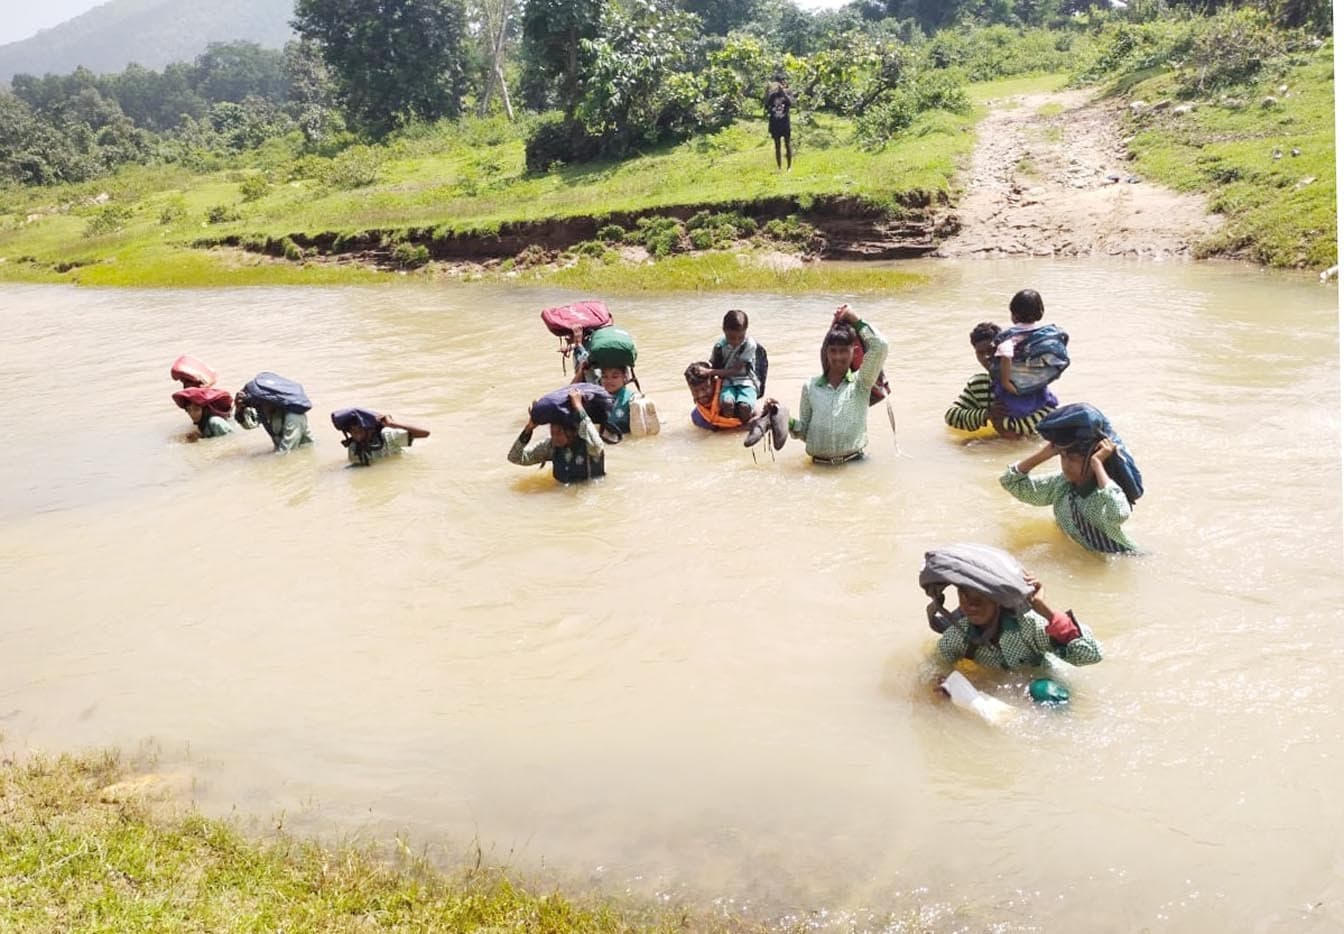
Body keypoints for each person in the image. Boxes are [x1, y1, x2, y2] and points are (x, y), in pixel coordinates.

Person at [780, 304, 888, 465]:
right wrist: (784, 419)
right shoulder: (811, 386)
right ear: (826, 352)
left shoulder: (862, 382)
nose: (838, 357)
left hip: (855, 464)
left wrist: (855, 319)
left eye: (844, 350)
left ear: (854, 351)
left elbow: (880, 346)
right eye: (833, 350)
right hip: (818, 466)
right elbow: (805, 432)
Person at [934, 572, 1103, 671]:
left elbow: (1091, 655)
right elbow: (936, 665)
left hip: (1041, 686)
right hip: (994, 699)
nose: (971, 606)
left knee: (1044, 691)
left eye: (979, 599)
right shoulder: (957, 635)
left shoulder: (1029, 627)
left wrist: (1046, 611)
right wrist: (942, 684)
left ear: (999, 600)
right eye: (964, 597)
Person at [1000, 437, 1138, 554]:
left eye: (1072, 459)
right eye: (1063, 457)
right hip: (1083, 556)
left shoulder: (1101, 493)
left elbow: (1120, 513)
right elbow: (1011, 482)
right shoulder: (1060, 484)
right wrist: (1044, 454)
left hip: (1121, 555)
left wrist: (1097, 463)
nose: (1066, 465)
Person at [945, 322, 1055, 438]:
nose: (986, 357)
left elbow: (1048, 415)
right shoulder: (980, 383)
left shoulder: (1025, 379)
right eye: (980, 353)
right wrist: (987, 414)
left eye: (991, 350)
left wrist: (1004, 424)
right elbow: (951, 416)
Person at [992, 289, 1067, 423]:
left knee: (1013, 408)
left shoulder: (1011, 336)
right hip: (1035, 384)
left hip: (1015, 386)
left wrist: (1006, 382)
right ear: (1040, 313)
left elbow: (1006, 353)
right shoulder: (1046, 334)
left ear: (1014, 315)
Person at [508, 388, 607, 482]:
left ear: (572, 431)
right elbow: (515, 457)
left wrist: (579, 407)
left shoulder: (588, 445)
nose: (555, 437)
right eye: (552, 433)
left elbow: (598, 445)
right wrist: (529, 428)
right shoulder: (550, 447)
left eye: (559, 432)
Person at [695, 309, 761, 425]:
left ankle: (743, 427)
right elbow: (715, 366)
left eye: (740, 337)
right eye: (731, 337)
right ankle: (727, 425)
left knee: (744, 407)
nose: (736, 341)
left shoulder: (749, 345)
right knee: (727, 403)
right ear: (724, 331)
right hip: (727, 382)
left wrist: (709, 372)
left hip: (746, 381)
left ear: (746, 331)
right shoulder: (719, 346)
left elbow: (736, 370)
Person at [235, 373, 314, 455]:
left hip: (301, 454)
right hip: (281, 450)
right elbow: (250, 425)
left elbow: (288, 450)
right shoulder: (263, 410)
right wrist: (239, 410)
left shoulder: (293, 416)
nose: (259, 405)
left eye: (262, 402)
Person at [332, 408, 430, 465]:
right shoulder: (354, 448)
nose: (357, 434)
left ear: (370, 429)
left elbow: (425, 433)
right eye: (353, 431)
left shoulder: (389, 436)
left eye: (360, 430)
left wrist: (393, 424)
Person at [765, 72, 796, 170]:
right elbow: (766, 105)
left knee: (787, 143)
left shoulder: (788, 92)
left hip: (785, 122)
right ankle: (779, 167)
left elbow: (791, 103)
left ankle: (789, 166)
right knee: (777, 145)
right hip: (775, 123)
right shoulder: (772, 94)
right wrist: (767, 92)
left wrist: (783, 92)